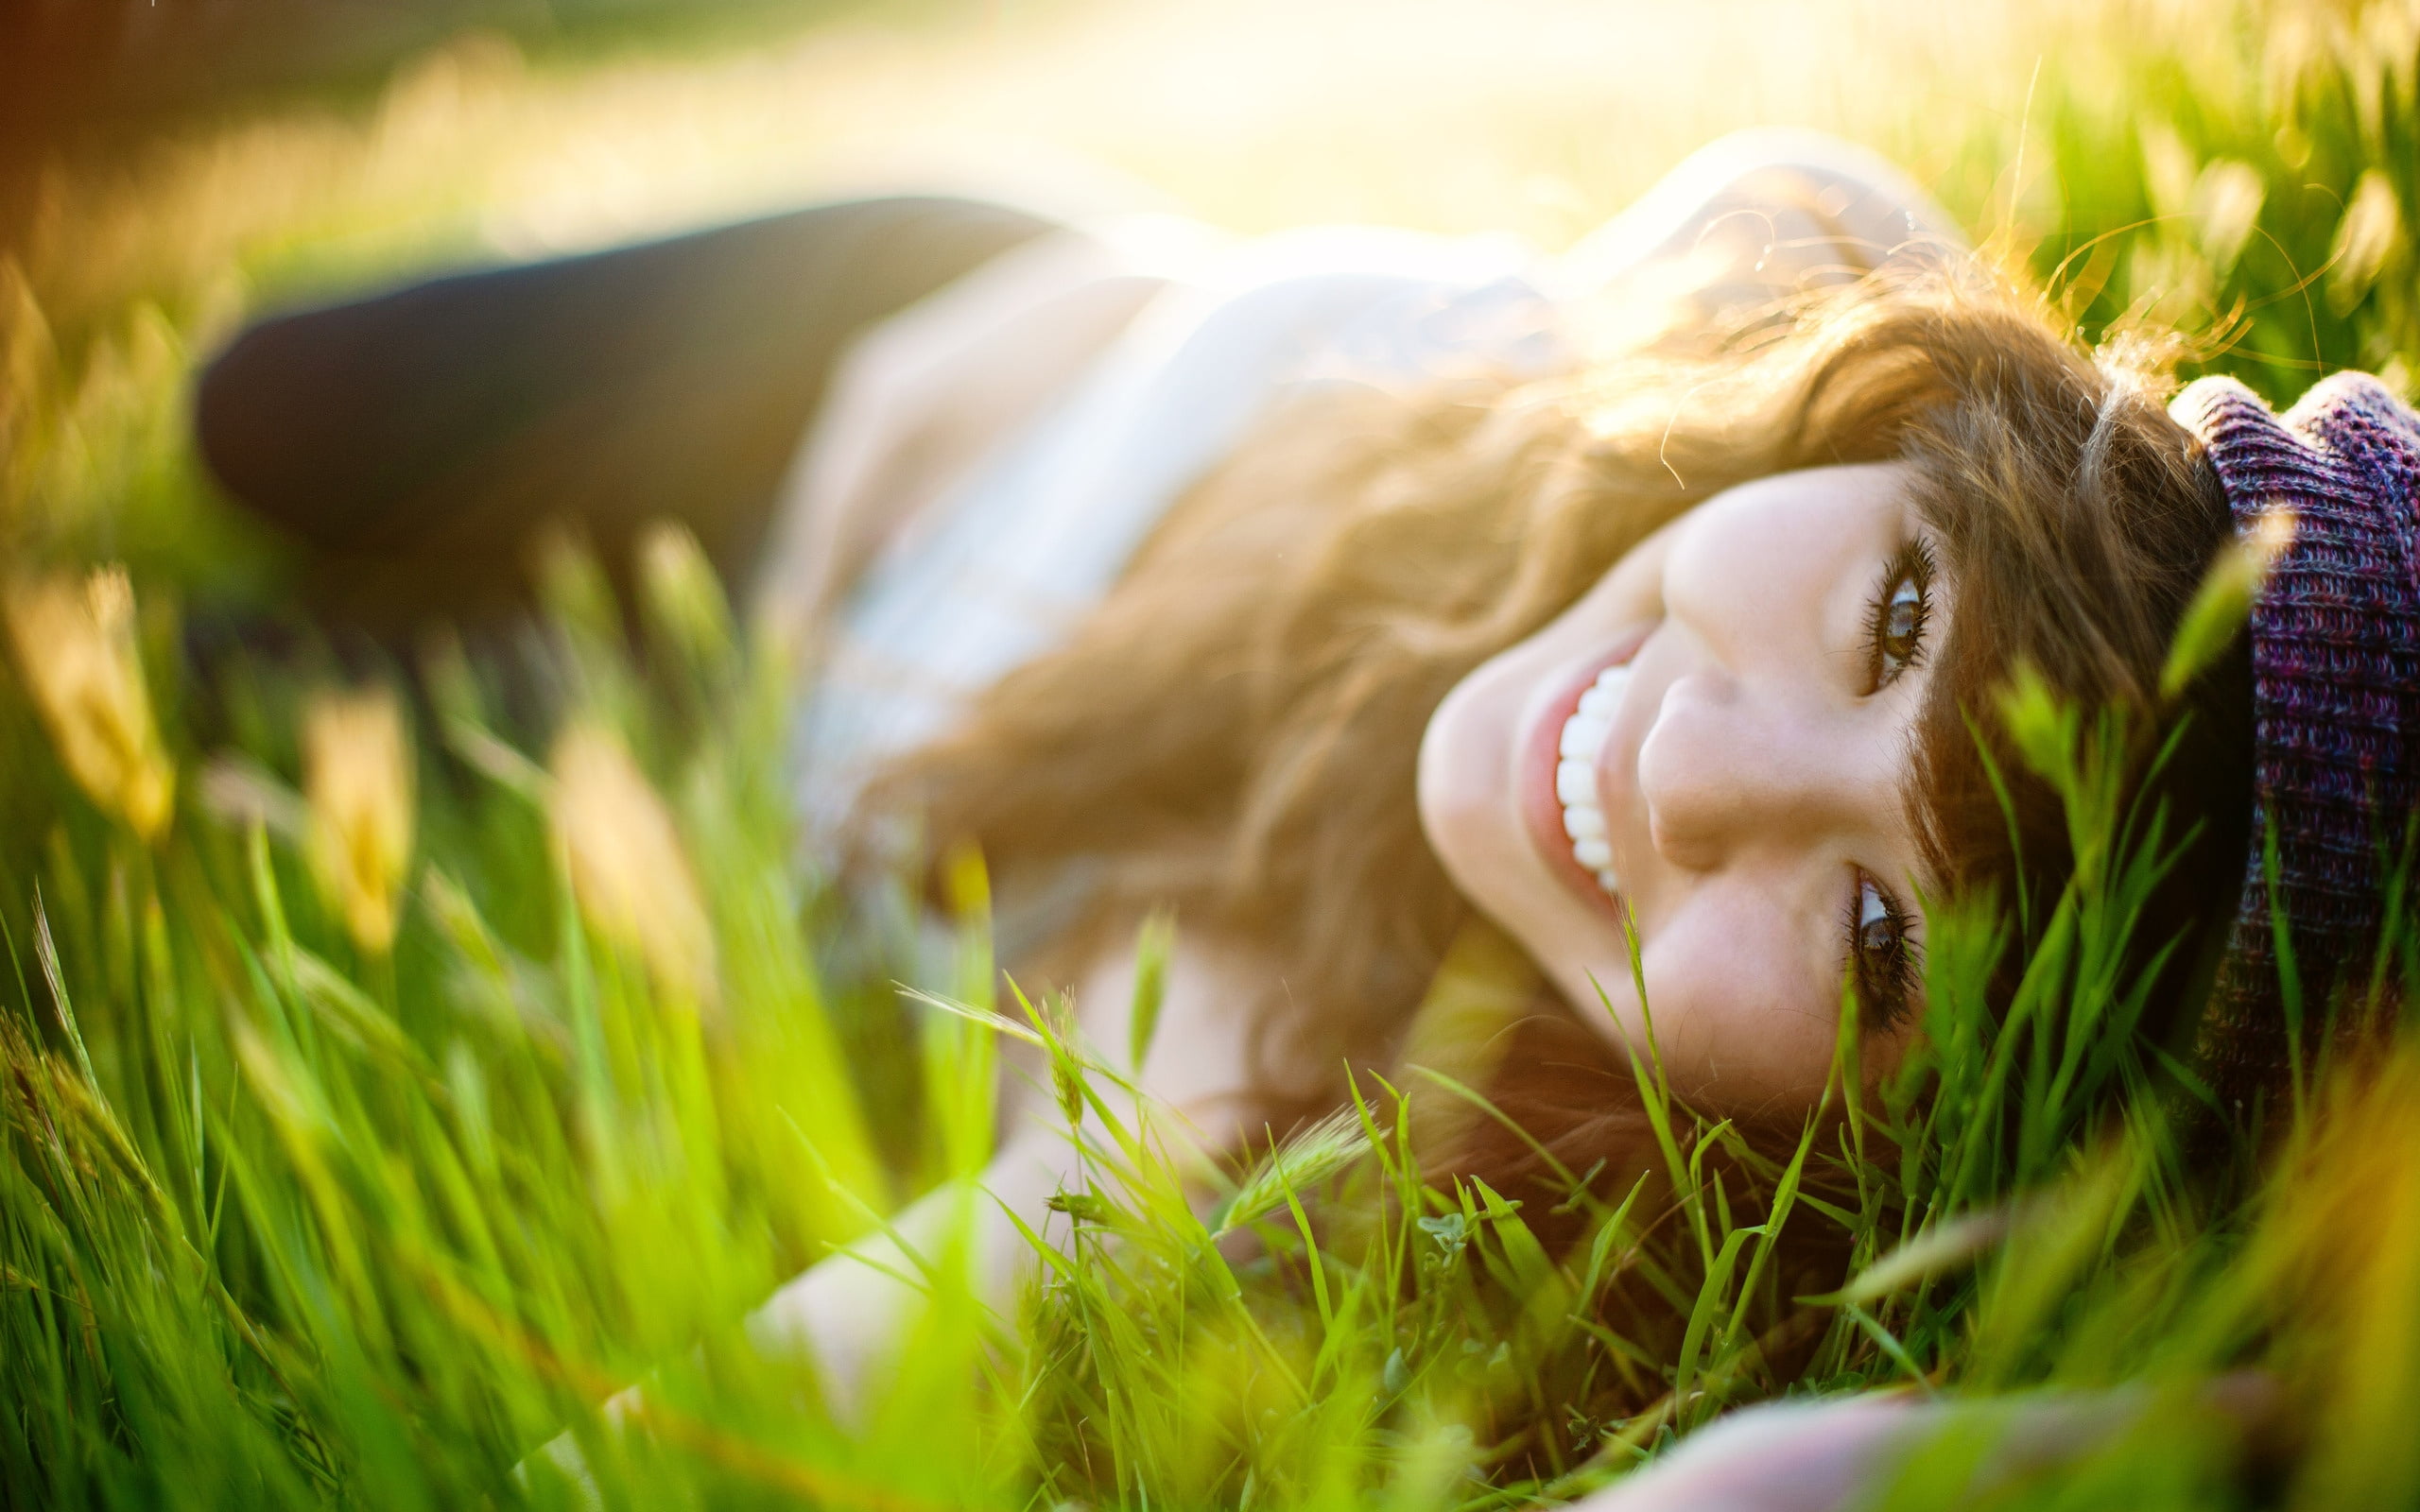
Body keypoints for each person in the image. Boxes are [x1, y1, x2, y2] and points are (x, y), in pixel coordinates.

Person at [191, 128, 2416, 1504]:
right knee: (252, 408)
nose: (1689, 772)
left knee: (231, 687)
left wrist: (2230, 1429)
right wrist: (1099, 312)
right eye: (1892, 609)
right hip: (927, 345)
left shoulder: (1315, 1114)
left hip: (738, 704)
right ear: (1917, 438)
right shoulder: (1803, 272)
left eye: (1869, 935)